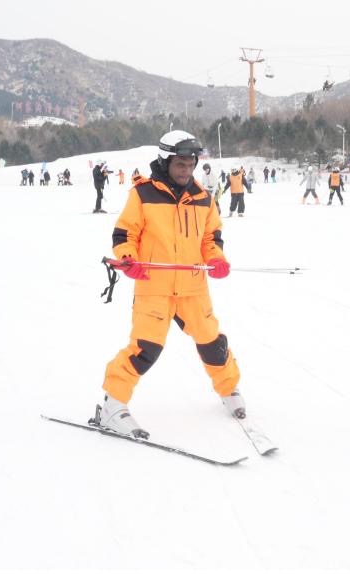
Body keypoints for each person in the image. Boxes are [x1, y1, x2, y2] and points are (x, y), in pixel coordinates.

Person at [96, 130, 243, 437]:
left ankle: (229, 390)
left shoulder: (203, 198)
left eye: (190, 164)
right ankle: (112, 404)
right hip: (155, 286)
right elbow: (124, 235)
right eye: (180, 163)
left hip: (192, 288)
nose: (186, 170)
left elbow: (211, 238)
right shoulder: (143, 194)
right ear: (165, 161)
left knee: (213, 344)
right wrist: (127, 258)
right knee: (145, 349)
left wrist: (216, 259)